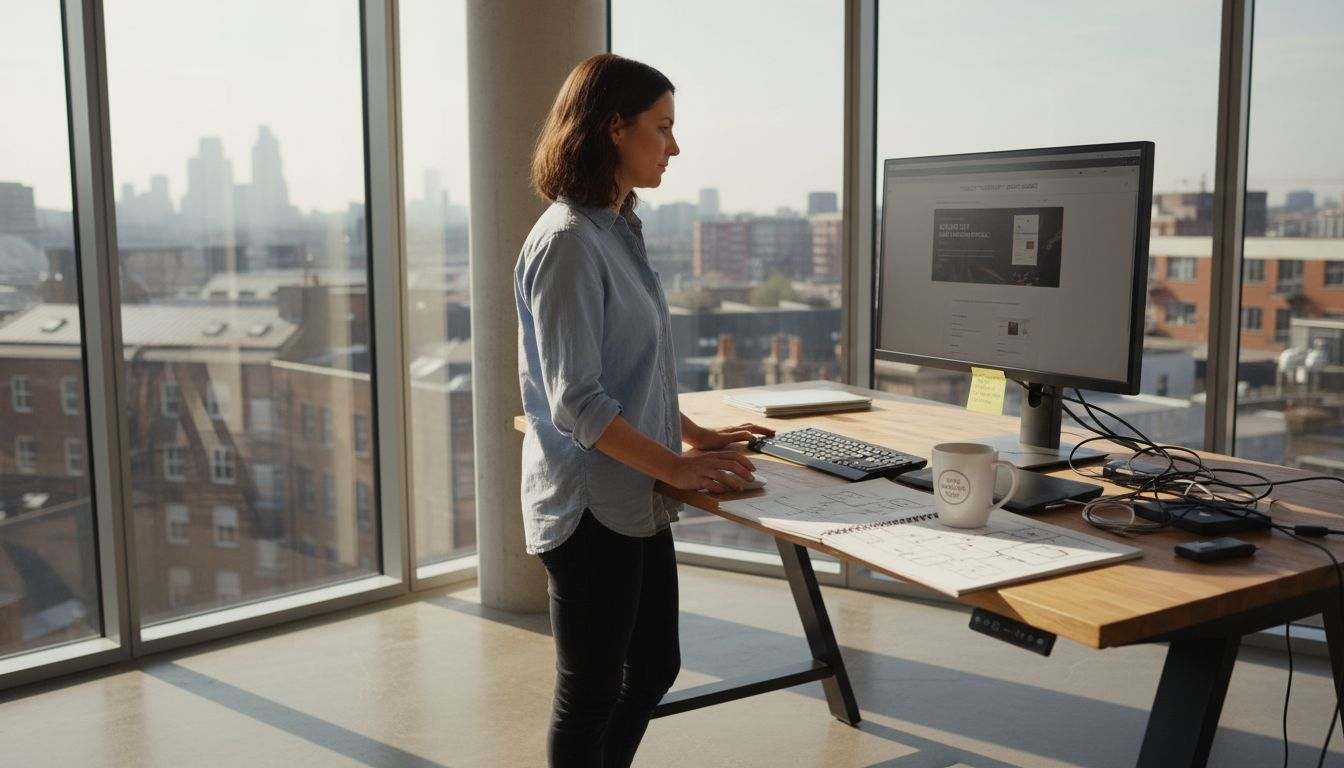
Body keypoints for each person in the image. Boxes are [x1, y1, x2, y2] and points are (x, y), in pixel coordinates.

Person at [514, 53, 774, 767]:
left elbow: (635, 365)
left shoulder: (616, 228)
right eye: (662, 128)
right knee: (590, 694)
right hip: (592, 505)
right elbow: (578, 402)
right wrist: (676, 467)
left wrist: (693, 434)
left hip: (636, 489)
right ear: (613, 129)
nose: (674, 147)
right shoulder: (569, 243)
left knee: (654, 666)